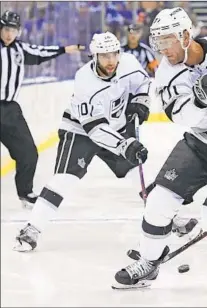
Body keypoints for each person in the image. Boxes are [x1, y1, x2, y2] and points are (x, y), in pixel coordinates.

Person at [112, 7, 207, 289]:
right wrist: (201, 98)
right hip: (199, 143)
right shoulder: (166, 74)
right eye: (158, 42)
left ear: (185, 35)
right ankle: (149, 261)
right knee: (158, 201)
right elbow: (183, 118)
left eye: (167, 40)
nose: (163, 49)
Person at [13, 32, 151, 252]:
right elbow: (95, 130)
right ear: (93, 56)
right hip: (80, 132)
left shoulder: (129, 63)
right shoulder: (84, 80)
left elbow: (142, 83)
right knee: (63, 179)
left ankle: (167, 218)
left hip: (115, 128)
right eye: (103, 55)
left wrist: (141, 101)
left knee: (139, 174)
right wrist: (125, 145)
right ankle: (32, 229)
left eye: (113, 54)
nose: (110, 60)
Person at [0, 10, 84, 209]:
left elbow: (42, 52)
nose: (8, 34)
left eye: (13, 30)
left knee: (28, 153)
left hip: (10, 110)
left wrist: (66, 49)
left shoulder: (21, 50)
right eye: (5, 29)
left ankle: (25, 194)